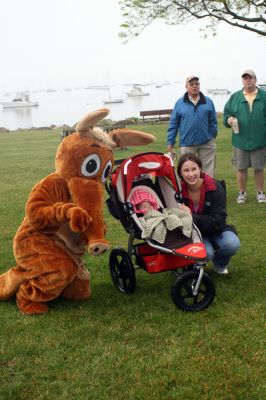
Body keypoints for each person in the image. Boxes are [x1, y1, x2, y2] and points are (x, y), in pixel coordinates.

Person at [177, 153, 240, 275]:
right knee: (207, 253)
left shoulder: (215, 187)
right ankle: (193, 266)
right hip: (194, 233)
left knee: (232, 243)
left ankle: (220, 264)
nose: (191, 174)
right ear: (180, 173)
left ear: (200, 169)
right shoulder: (177, 192)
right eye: (186, 170)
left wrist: (191, 216)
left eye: (194, 169)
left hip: (217, 229)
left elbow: (218, 220)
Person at [223, 69, 266, 204]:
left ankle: (260, 193)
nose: (248, 80)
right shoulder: (235, 97)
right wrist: (229, 120)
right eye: (245, 78)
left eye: (250, 78)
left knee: (259, 168)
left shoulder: (264, 96)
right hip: (240, 140)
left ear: (255, 80)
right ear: (242, 80)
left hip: (259, 140)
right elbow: (226, 114)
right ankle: (242, 193)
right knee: (241, 168)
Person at [167, 75, 218, 177]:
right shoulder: (180, 103)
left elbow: (213, 121)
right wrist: (170, 141)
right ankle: (189, 192)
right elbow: (173, 123)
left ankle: (208, 191)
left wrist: (212, 134)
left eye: (197, 84)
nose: (195, 86)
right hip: (187, 143)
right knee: (188, 171)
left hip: (206, 142)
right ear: (186, 87)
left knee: (208, 171)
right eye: (191, 84)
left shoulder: (208, 101)